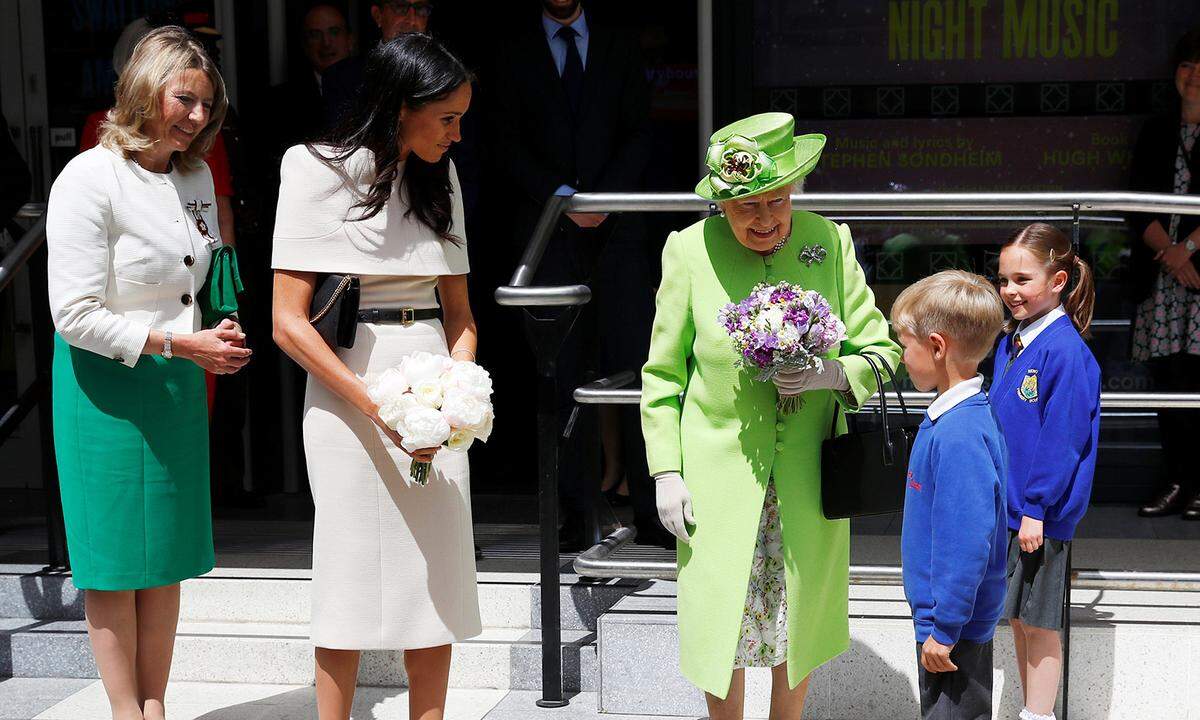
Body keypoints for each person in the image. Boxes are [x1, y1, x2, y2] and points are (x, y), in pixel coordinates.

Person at [640, 112, 900, 719]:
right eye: (744, 208)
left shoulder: (828, 241)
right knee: (719, 623)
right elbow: (662, 374)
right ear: (721, 207)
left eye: (776, 201)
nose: (763, 220)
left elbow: (882, 352)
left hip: (809, 475)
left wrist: (832, 373)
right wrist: (665, 471)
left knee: (797, 620)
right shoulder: (687, 250)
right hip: (714, 474)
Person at [271, 34, 480, 720]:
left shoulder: (440, 175)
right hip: (345, 386)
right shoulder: (310, 169)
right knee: (348, 568)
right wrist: (376, 408)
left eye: (461, 119)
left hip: (432, 388)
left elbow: (461, 315)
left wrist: (459, 395)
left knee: (436, 571)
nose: (457, 134)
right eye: (446, 118)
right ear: (399, 107)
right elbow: (287, 322)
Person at [45, 27, 251, 720]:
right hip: (103, 389)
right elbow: (72, 314)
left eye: (206, 104)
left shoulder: (193, 174)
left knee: (163, 556)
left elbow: (203, 276)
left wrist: (215, 331)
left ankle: (156, 704)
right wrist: (176, 343)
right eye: (184, 100)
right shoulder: (88, 176)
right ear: (143, 92)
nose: (197, 117)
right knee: (113, 563)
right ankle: (125, 711)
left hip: (175, 384)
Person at [492, 0, 658, 550]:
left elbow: (641, 131)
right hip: (546, 231)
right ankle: (575, 511)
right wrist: (561, 197)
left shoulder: (619, 43)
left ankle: (653, 508)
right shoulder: (511, 50)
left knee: (638, 367)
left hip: (621, 234)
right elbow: (505, 140)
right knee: (560, 376)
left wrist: (603, 199)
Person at [993, 224, 1101, 720]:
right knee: (1018, 618)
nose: (1010, 291)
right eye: (1003, 280)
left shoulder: (1066, 352)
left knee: (1040, 623)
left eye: (1022, 279)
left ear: (1058, 280)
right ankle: (1030, 710)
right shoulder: (1010, 342)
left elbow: (1063, 440)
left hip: (1039, 515)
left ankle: (1037, 715)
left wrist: (1037, 507)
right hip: (1012, 508)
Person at [892, 270, 1008, 720]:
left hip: (952, 629)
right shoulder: (957, 418)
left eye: (905, 344)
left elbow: (966, 541)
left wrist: (944, 629)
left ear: (937, 347)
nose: (902, 357)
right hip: (951, 622)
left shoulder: (959, 432)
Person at [1128, 26, 1200, 520]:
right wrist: (1172, 253)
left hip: (1197, 280)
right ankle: (1175, 480)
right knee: (1167, 389)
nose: (1192, 77)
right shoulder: (1157, 129)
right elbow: (1135, 201)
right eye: (1185, 67)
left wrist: (1189, 250)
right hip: (1164, 281)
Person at [321, 0, 433, 130]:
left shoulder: (446, 75)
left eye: (421, 9)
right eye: (400, 7)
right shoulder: (341, 77)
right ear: (378, 15)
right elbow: (341, 142)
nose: (412, 20)